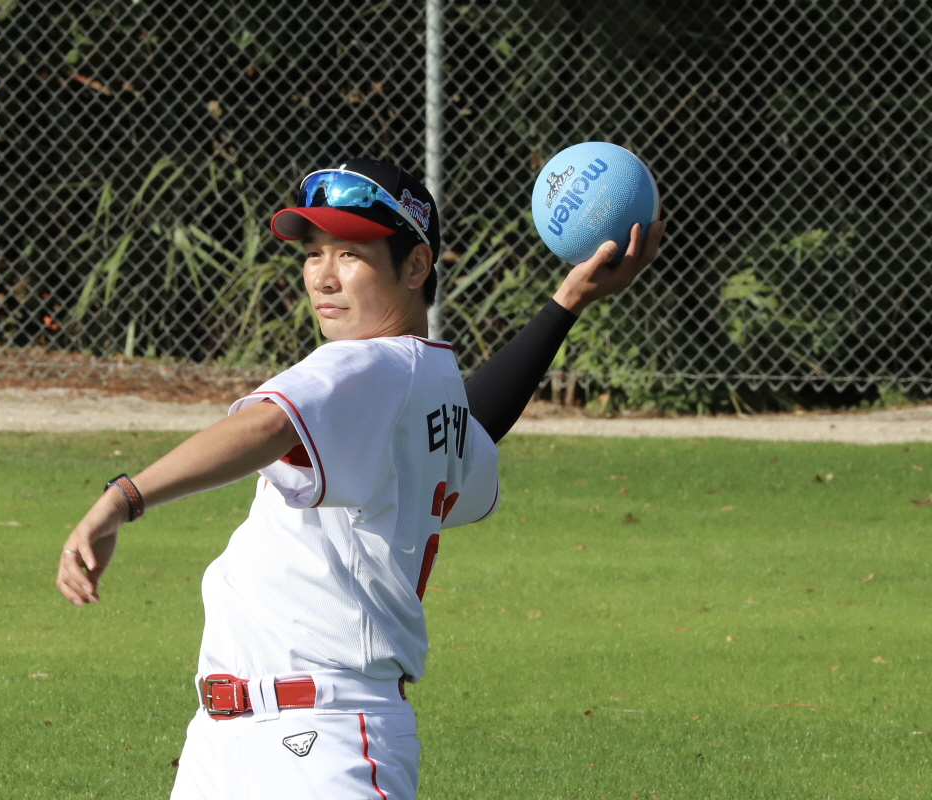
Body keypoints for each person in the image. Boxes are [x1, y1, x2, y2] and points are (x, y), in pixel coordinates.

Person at [56, 158, 664, 799]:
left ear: (415, 267)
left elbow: (266, 428)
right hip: (230, 739)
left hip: (321, 743)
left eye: (350, 253)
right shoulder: (424, 389)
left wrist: (122, 499)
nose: (322, 274)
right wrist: (567, 302)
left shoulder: (369, 365)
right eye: (313, 252)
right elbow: (476, 427)